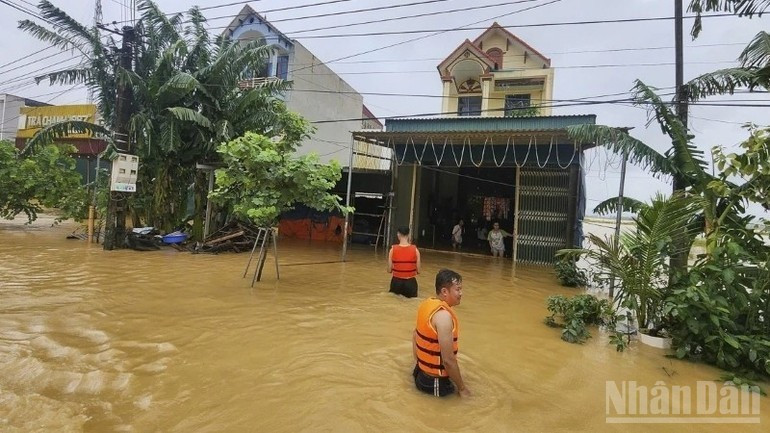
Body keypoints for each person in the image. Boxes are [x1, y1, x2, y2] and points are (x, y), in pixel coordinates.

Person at [412, 269, 470, 397]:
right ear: (444, 291)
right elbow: (448, 361)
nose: (461, 293)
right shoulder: (443, 316)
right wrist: (462, 388)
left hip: (419, 374)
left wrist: (420, 364)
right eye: (458, 289)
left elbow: (414, 335)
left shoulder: (426, 305)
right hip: (434, 383)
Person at [388, 226, 421, 298]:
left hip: (396, 282)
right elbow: (418, 271)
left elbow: (389, 270)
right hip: (410, 283)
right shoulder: (416, 250)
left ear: (398, 234)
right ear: (409, 235)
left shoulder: (392, 250)